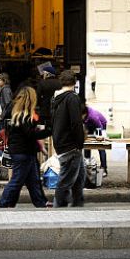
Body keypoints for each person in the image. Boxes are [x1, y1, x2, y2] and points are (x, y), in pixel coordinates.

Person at [0, 87, 52, 208]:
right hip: (23, 152)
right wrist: (49, 131)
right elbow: (31, 134)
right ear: (31, 99)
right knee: (17, 180)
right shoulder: (24, 116)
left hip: (24, 151)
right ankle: (5, 203)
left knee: (33, 180)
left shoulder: (15, 113)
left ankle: (41, 202)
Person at [51, 70, 85, 207]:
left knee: (79, 177)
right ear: (75, 82)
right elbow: (76, 123)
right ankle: (58, 206)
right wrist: (79, 143)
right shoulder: (72, 98)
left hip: (60, 141)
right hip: (71, 144)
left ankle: (78, 203)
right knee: (66, 179)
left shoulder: (55, 99)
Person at [82, 105, 108, 177]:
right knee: (87, 145)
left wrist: (100, 137)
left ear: (84, 114)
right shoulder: (82, 114)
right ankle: (87, 167)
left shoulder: (93, 116)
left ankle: (104, 169)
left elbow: (100, 128)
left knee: (100, 147)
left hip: (101, 124)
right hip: (89, 124)